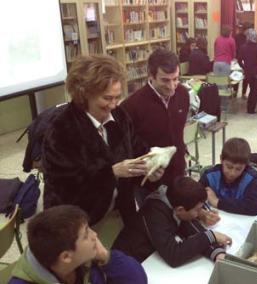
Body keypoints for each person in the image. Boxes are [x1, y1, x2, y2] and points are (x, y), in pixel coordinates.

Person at [42, 55, 162, 261]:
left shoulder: (121, 118)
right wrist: (112, 172)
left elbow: (137, 149)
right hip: (79, 225)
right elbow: (65, 186)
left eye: (117, 97)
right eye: (107, 98)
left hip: (119, 213)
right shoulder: (61, 129)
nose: (114, 105)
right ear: (83, 94)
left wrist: (149, 168)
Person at [9, 205, 147, 284]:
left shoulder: (84, 261)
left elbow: (139, 280)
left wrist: (106, 257)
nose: (95, 235)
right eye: (86, 235)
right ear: (66, 257)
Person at [121, 49, 189, 188]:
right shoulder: (131, 106)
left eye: (175, 79)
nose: (172, 87)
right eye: (165, 80)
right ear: (151, 75)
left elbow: (178, 132)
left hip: (178, 170)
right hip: (148, 178)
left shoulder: (183, 94)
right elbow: (125, 148)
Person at [137, 176, 232, 267]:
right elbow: (173, 255)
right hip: (139, 259)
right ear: (180, 210)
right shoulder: (155, 212)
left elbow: (194, 231)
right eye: (197, 210)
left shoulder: (177, 200)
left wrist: (217, 253)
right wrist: (211, 236)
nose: (200, 213)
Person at [199, 138, 257, 216]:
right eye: (229, 167)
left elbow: (253, 208)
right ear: (221, 159)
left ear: (246, 166)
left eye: (238, 169)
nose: (232, 173)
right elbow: (194, 201)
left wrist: (217, 202)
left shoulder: (252, 178)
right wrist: (202, 214)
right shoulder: (209, 176)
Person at [238, 28, 257, 114]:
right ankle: (251, 109)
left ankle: (249, 107)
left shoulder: (243, 47)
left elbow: (239, 60)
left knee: (251, 89)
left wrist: (244, 67)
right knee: (254, 91)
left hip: (248, 72)